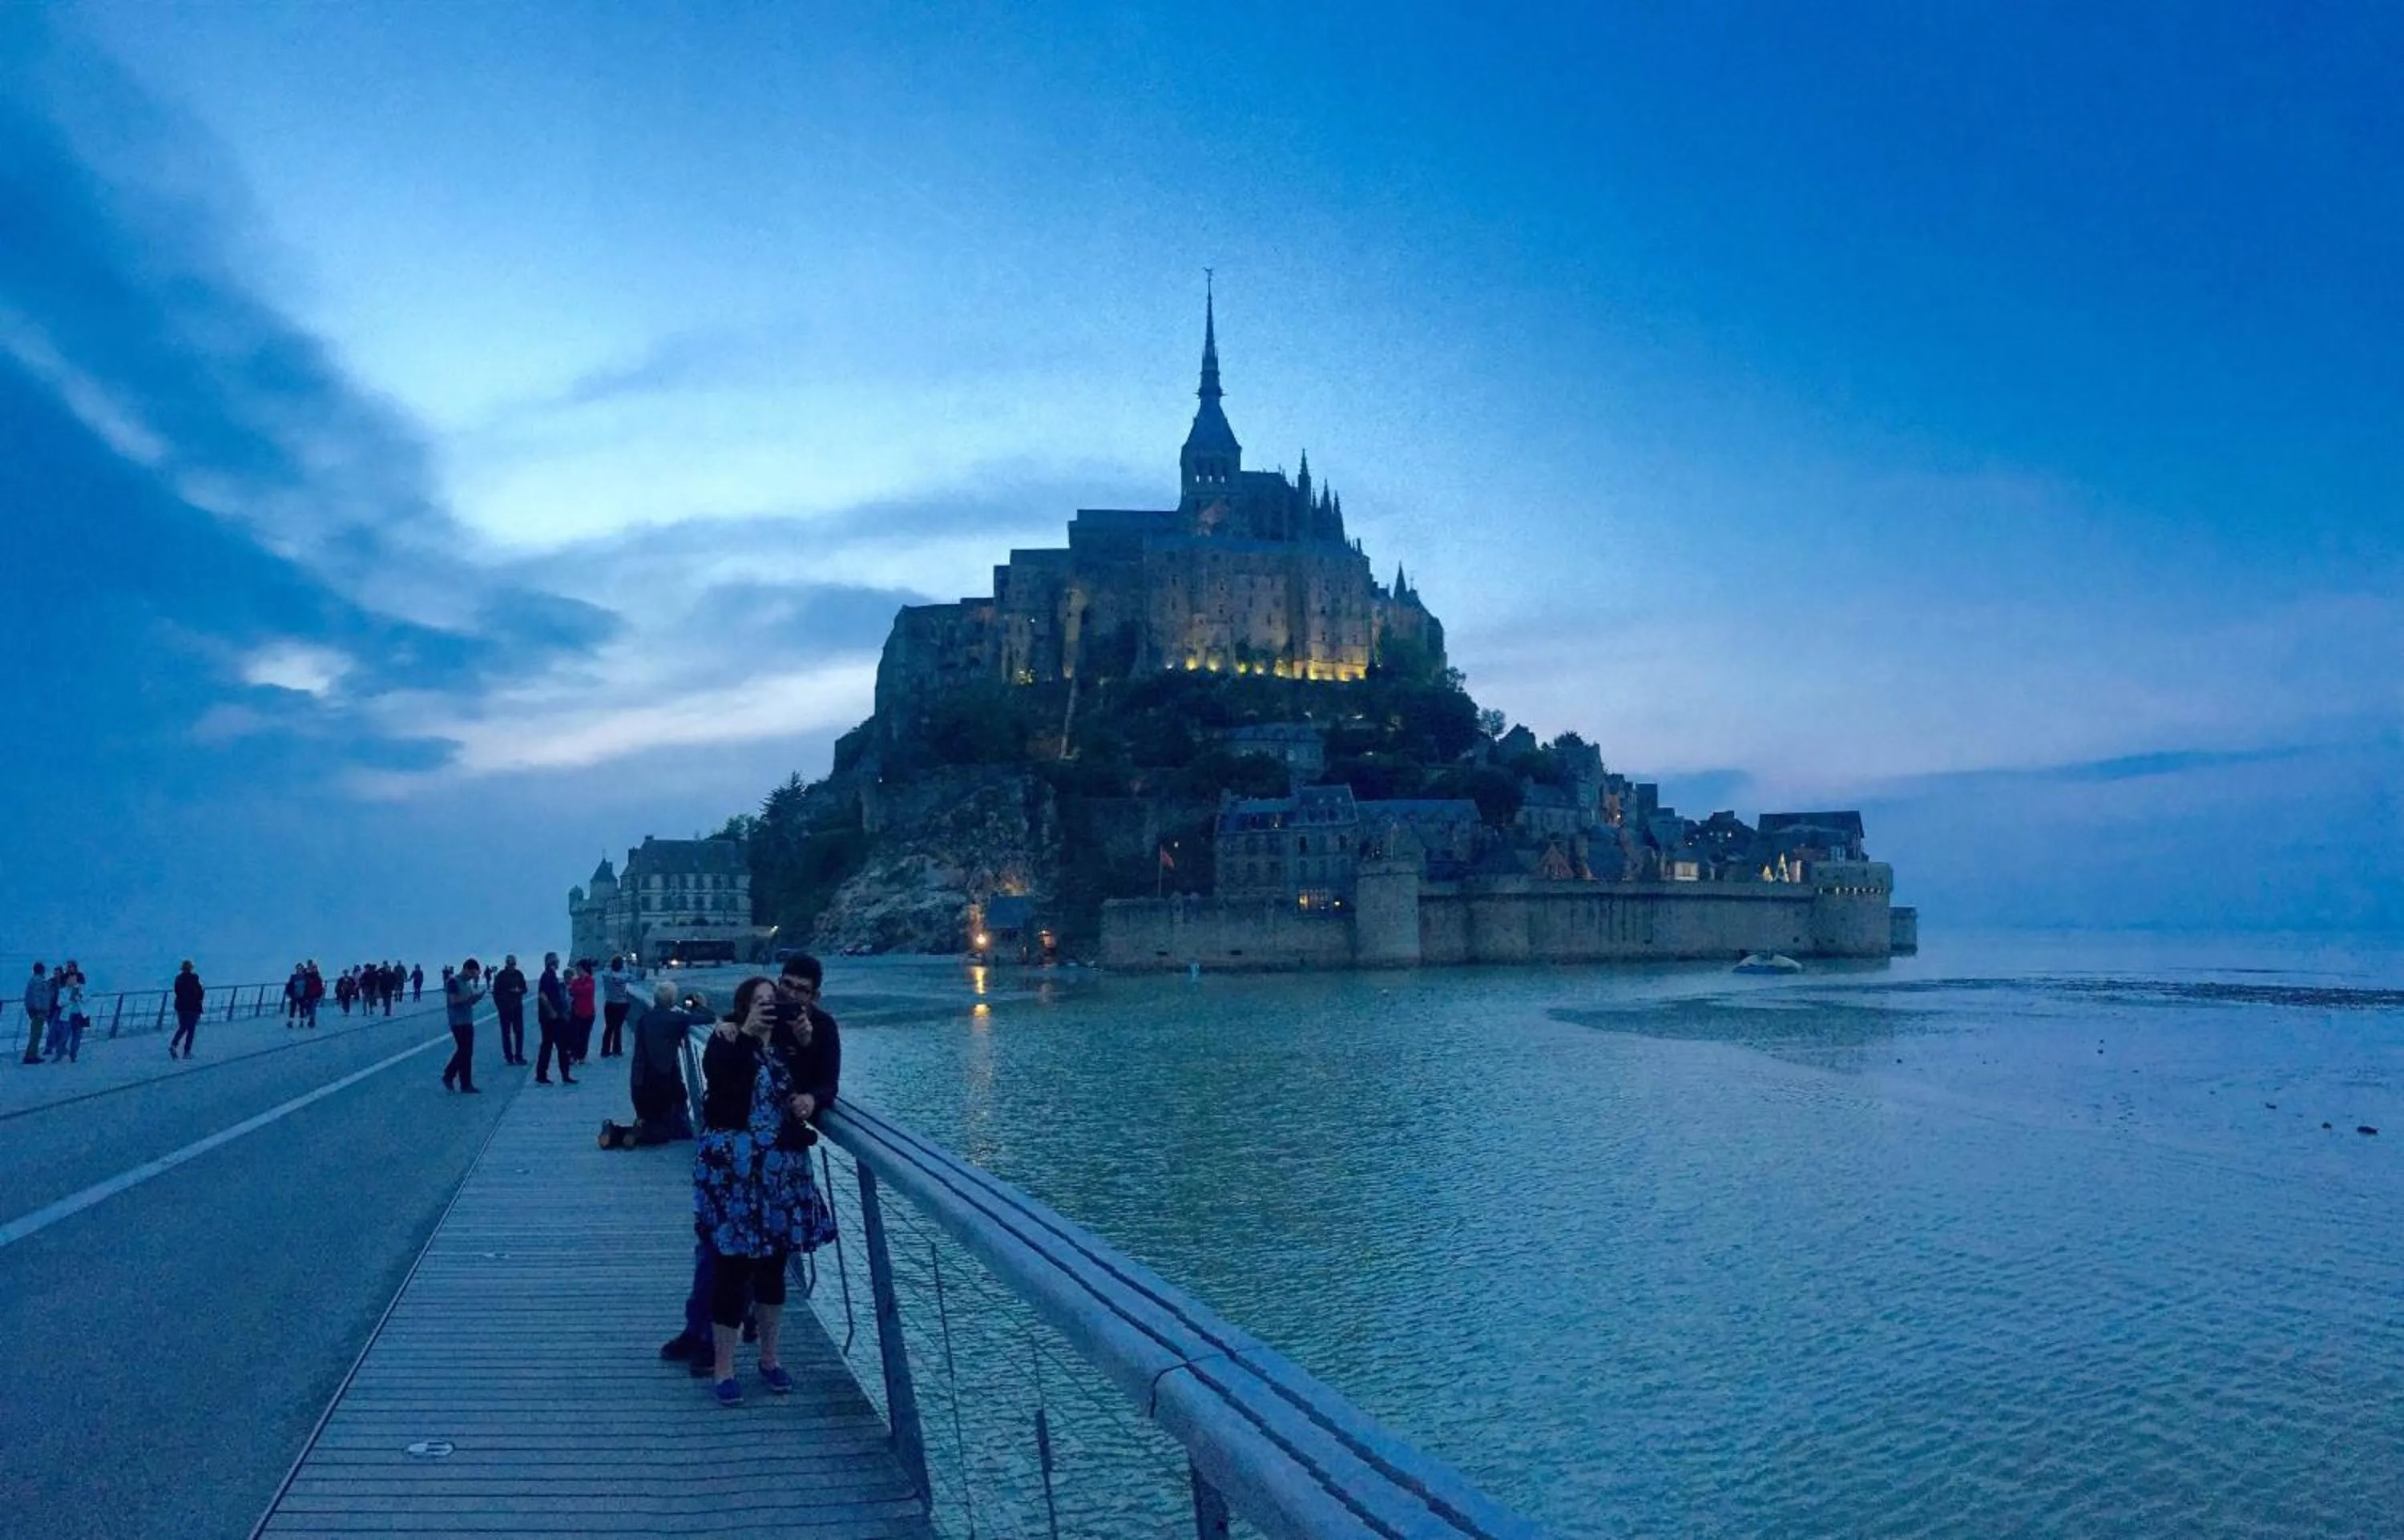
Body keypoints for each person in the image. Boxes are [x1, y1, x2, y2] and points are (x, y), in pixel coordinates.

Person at [691, 975, 836, 1405]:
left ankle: (770, 1360)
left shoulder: (792, 1044)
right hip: (734, 1176)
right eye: (759, 1002)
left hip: (780, 1176)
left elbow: (823, 1082)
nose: (769, 1008)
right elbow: (720, 1085)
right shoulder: (726, 1041)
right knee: (731, 1268)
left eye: (774, 1002)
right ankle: (724, 1368)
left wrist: (809, 1060)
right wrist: (745, 1035)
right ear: (743, 1008)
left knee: (774, 1268)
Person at [604, 982, 698, 1149]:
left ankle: (616, 1131)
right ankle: (633, 1132)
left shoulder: (644, 1018)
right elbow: (708, 1018)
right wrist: (697, 1005)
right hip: (659, 1082)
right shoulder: (674, 1018)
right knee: (661, 1132)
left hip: (639, 1080)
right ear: (672, 1001)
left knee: (654, 1120)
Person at [441, 958, 486, 1093]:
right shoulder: (453, 981)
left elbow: (469, 1002)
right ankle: (450, 1074)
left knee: (467, 1052)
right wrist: (469, 998)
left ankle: (465, 1083)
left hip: (467, 1020)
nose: (472, 977)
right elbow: (453, 1000)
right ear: (466, 969)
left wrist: (476, 998)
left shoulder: (467, 983)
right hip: (457, 1021)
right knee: (464, 1051)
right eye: (472, 973)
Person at [534, 952, 576, 1085]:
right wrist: (552, 1011)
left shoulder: (551, 976)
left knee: (549, 1046)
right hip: (551, 1019)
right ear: (552, 962)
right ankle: (562, 1075)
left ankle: (544, 1075)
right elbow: (543, 996)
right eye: (557, 961)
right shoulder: (547, 977)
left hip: (552, 1018)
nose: (558, 963)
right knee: (558, 1046)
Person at [490, 954, 530, 1065]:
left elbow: (525, 988)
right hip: (505, 1010)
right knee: (506, 1033)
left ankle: (519, 1056)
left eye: (513, 964)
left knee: (519, 1032)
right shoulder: (501, 976)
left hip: (517, 1008)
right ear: (507, 964)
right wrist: (500, 1006)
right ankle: (509, 1057)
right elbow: (496, 993)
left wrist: (519, 991)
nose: (512, 966)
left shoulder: (519, 974)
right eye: (510, 963)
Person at [47, 963, 87, 1063]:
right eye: (70, 979)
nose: (71, 980)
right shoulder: (64, 990)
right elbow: (60, 1003)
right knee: (64, 1036)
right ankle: (60, 1055)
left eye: (73, 979)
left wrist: (78, 997)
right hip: (68, 1015)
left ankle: (73, 1054)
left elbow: (86, 1000)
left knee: (77, 1036)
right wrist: (70, 999)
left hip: (80, 1014)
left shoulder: (82, 989)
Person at [170, 961, 205, 1058]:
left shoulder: (179, 979)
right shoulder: (194, 978)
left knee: (183, 1026)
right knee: (191, 1029)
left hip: (180, 1007)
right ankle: (186, 1051)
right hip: (192, 1007)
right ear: (191, 968)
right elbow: (200, 993)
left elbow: (177, 992)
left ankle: (174, 1044)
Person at [567, 960, 598, 1066]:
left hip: (588, 1013)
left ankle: (581, 1056)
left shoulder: (590, 981)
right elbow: (571, 991)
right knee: (574, 1035)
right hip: (576, 1012)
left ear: (583, 969)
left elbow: (586, 990)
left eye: (578, 969)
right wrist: (577, 990)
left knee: (584, 1036)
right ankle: (573, 1056)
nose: (577, 971)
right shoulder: (576, 981)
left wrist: (576, 989)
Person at [20, 962, 53, 1064]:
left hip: (35, 1011)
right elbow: (37, 996)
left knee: (35, 1033)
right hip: (39, 1012)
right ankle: (31, 1055)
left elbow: (31, 997)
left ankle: (31, 1054)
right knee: (36, 1034)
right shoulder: (38, 981)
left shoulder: (33, 981)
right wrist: (38, 1009)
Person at [600, 956, 632, 1058]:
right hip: (621, 1004)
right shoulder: (625, 977)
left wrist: (609, 963)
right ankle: (617, 1051)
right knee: (618, 1028)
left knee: (608, 1027)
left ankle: (605, 1051)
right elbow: (633, 976)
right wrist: (625, 965)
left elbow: (605, 970)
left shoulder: (607, 976)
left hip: (609, 1003)